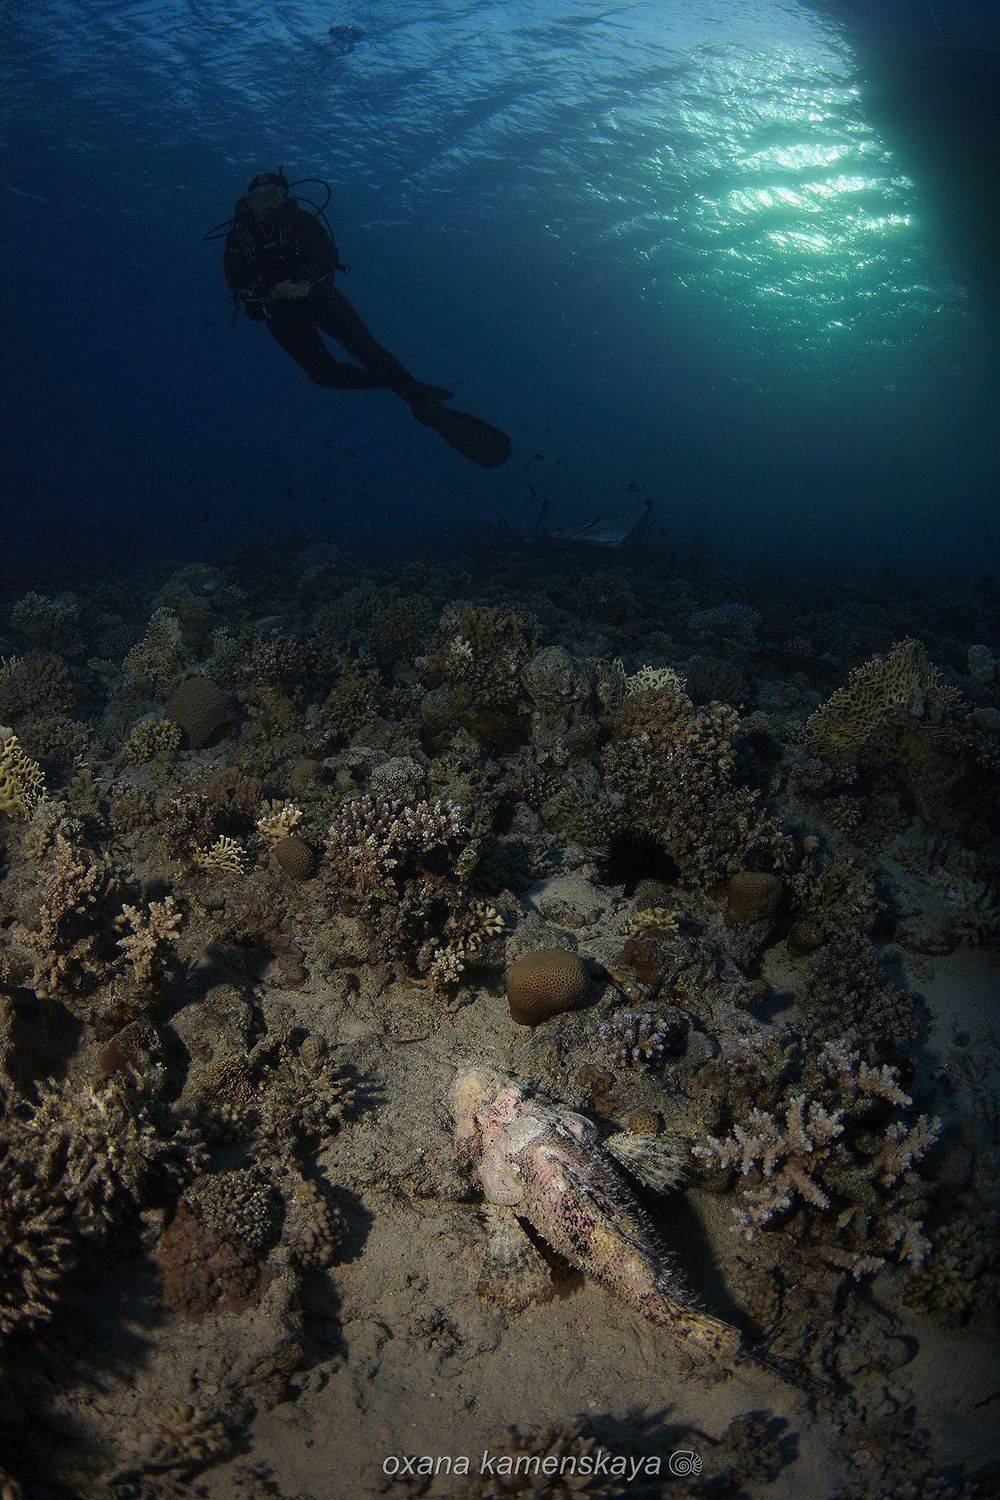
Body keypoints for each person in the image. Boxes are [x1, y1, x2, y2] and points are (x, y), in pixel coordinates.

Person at [219, 171, 511, 469]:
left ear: (285, 198)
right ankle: (408, 387)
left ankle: (424, 405)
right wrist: (266, 292)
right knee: (324, 375)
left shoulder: (302, 222)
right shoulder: (238, 237)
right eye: (257, 198)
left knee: (369, 352)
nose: (264, 204)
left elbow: (327, 258)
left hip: (320, 299)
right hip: (279, 312)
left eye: (271, 195)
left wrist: (305, 284)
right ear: (247, 202)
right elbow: (235, 280)